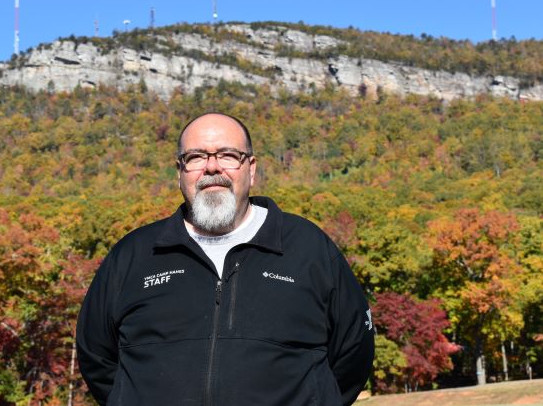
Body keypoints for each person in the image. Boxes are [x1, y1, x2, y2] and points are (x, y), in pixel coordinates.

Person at [76, 113, 374, 406]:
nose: (212, 167)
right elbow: (96, 355)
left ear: (251, 169)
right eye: (195, 157)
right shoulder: (134, 254)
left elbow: (353, 353)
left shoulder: (308, 248)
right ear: (179, 172)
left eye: (229, 155)